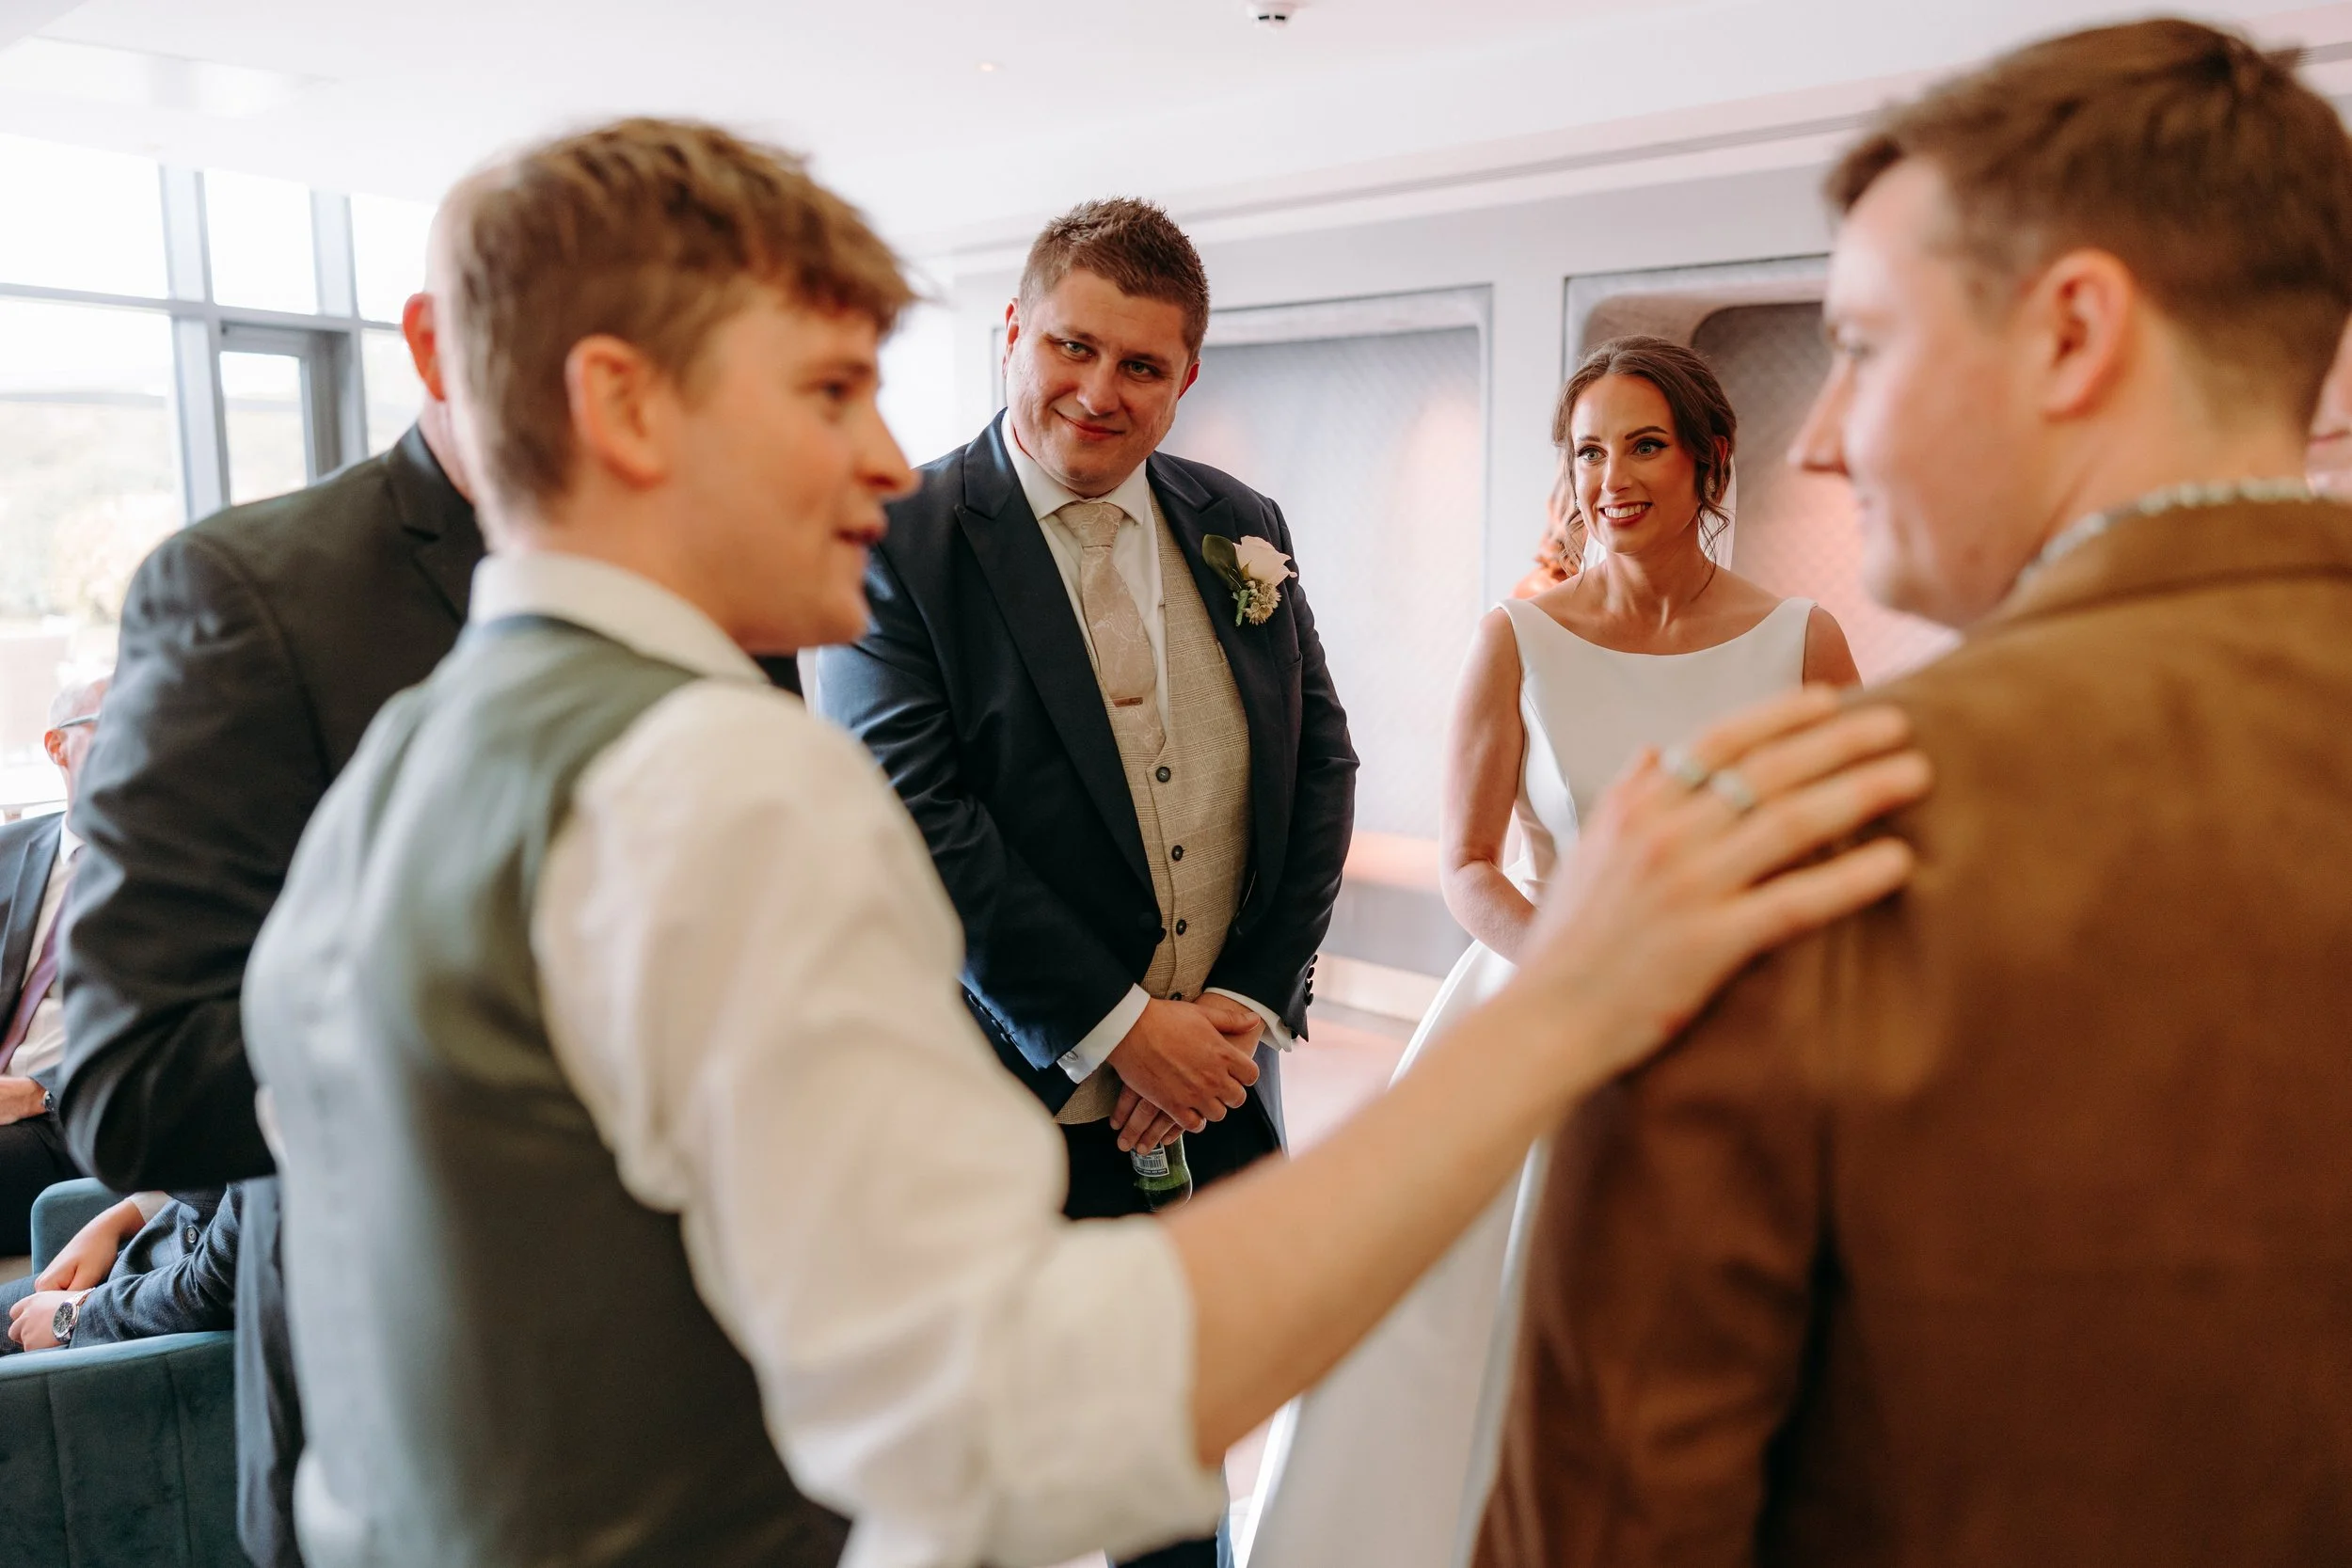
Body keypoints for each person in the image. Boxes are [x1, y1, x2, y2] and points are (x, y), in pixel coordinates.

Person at [239, 117, 1927, 1568]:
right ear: (621, 403)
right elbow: (1017, 1405)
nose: (887, 452)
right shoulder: (710, 792)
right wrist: (1562, 1018)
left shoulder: (420, 753)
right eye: (830, 388)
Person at [1476, 20, 2352, 1568]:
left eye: (1866, 347)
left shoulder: (1798, 836)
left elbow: (1615, 1518)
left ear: (2074, 333)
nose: (1822, 439)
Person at [1244, 338, 1856, 1568]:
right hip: (1541, 1005)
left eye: (1643, 444)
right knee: (1456, 1334)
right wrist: (1585, 970)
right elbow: (1470, 864)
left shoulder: (1804, 641)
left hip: (1749, 1019)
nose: (1611, 475)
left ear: (1707, 462)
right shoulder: (1519, 638)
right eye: (1588, 449)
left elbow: (1847, 848)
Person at [818, 190, 1350, 1339]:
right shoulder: (895, 535)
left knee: (1187, 1429)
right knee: (1003, 1456)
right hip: (1003, 1095)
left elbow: (1320, 767)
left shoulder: (1239, 518)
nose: (1101, 392)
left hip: (1218, 1079)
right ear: (1013, 331)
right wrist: (1123, 1032)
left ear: (1186, 379)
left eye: (1143, 366)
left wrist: (1237, 1007)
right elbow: (920, 818)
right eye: (1072, 345)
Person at [0, 677, 105, 1254]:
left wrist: (39, 1092)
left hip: (69, 1124)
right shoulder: (9, 851)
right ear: (57, 747)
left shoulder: (179, 873)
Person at [4, 1182, 243, 1354]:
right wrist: (114, 1222)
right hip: (142, 1266)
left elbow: (214, 1287)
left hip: (165, 1318)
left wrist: (76, 1314)